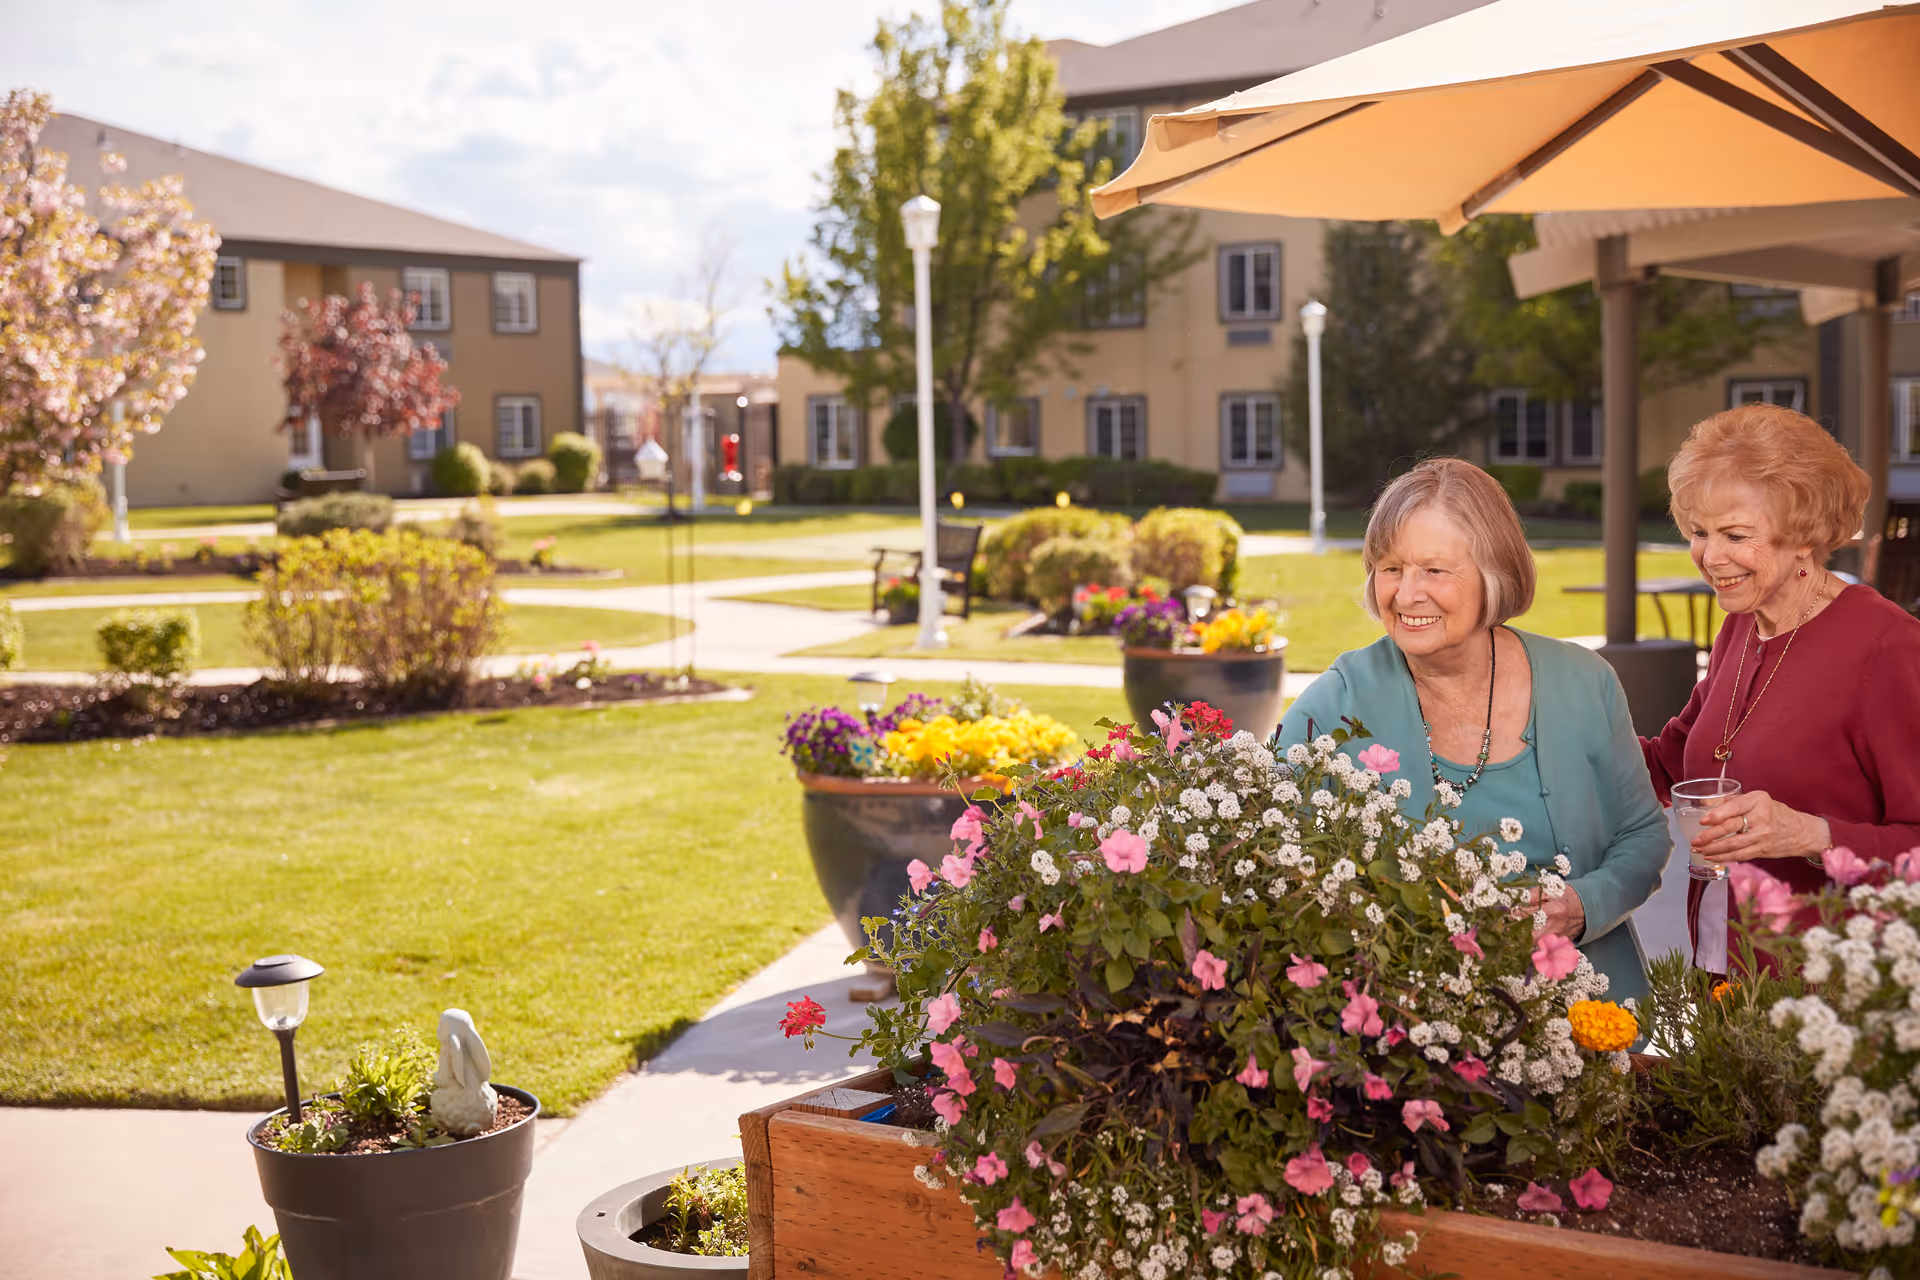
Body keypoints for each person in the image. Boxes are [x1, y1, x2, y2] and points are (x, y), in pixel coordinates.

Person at [1276, 458, 1669, 1008]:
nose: (1407, 594)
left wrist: (1580, 904)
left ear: (1494, 576)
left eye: (1435, 570)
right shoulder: (1339, 700)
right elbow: (1263, 840)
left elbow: (1644, 835)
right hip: (1411, 1025)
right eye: (1390, 568)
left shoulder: (1584, 683)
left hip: (1589, 1014)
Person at [1641, 404, 1920, 967]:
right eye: (1699, 532)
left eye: (1736, 535)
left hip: (1835, 989)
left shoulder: (1889, 648)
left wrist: (1812, 834)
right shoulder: (1743, 623)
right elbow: (1674, 760)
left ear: (1804, 535)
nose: (1710, 557)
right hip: (1725, 962)